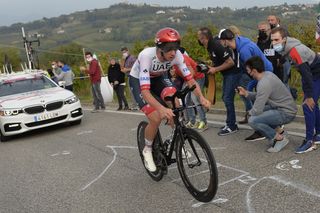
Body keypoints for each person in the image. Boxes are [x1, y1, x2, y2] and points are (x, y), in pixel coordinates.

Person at [129, 27, 210, 172]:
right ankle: (147, 150)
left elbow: (191, 81)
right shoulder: (146, 56)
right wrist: (161, 109)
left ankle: (178, 141)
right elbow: (146, 92)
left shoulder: (177, 56)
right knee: (155, 117)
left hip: (159, 77)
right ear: (160, 48)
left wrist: (202, 98)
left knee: (175, 103)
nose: (173, 52)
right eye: (168, 48)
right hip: (139, 81)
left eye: (175, 47)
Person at [270, 27, 320, 153]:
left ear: (284, 39)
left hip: (315, 74)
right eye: (272, 40)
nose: (274, 43)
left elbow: (307, 75)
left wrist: (308, 96)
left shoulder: (295, 51)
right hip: (310, 73)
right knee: (314, 105)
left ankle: (310, 141)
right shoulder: (287, 47)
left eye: (277, 40)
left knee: (308, 105)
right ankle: (319, 132)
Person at [219, 28, 273, 141]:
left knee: (256, 99)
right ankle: (266, 126)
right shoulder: (240, 41)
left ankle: (262, 129)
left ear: (225, 41)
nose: (220, 44)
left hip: (264, 73)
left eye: (221, 41)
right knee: (254, 96)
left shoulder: (244, 50)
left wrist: (248, 87)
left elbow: (253, 70)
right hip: (263, 70)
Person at [237, 56, 297, 152]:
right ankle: (281, 132)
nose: (247, 72)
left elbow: (257, 110)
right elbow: (261, 95)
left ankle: (279, 139)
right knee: (261, 114)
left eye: (248, 70)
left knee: (253, 120)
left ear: (254, 70)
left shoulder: (263, 83)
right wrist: (246, 93)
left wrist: (249, 113)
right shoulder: (268, 75)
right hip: (283, 108)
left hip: (286, 112)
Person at [197, 27, 239, 135]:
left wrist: (215, 69)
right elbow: (219, 60)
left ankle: (232, 125)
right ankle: (230, 123)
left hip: (233, 73)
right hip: (227, 74)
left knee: (227, 98)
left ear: (204, 38)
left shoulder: (215, 45)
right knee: (225, 98)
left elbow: (230, 62)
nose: (198, 40)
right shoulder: (210, 47)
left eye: (199, 38)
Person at [172, 47, 208, 132]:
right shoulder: (172, 61)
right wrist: (174, 75)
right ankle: (192, 121)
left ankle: (203, 122)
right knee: (185, 99)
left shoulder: (183, 58)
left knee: (195, 98)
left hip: (198, 77)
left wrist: (189, 84)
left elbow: (191, 72)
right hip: (187, 79)